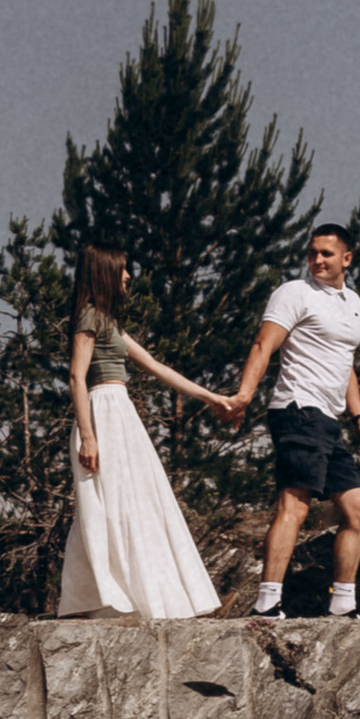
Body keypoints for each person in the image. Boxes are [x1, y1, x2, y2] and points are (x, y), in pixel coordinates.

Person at [219, 220, 360, 617]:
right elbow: (263, 344)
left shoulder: (354, 303)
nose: (317, 259)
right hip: (297, 409)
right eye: (312, 252)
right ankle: (268, 602)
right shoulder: (294, 293)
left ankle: (342, 605)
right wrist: (243, 396)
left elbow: (345, 363)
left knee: (359, 511)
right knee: (295, 505)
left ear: (347, 258)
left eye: (326, 253)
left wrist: (359, 416)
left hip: (328, 418)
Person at [59, 241, 225, 621]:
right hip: (102, 411)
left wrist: (211, 397)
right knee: (107, 503)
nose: (128, 276)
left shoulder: (108, 321)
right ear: (104, 272)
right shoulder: (87, 317)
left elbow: (155, 366)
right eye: (122, 269)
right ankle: (108, 597)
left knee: (136, 499)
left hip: (120, 413)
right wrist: (87, 435)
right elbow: (76, 376)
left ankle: (141, 595)